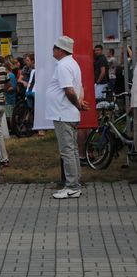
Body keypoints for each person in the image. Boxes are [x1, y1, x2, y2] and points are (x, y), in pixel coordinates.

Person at [47, 36, 89, 199]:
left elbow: (69, 90)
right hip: (66, 113)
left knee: (67, 151)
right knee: (71, 150)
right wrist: (79, 102)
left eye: (55, 47)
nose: (53, 49)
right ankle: (74, 183)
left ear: (61, 50)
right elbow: (80, 87)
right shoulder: (72, 64)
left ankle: (72, 186)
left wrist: (77, 104)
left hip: (63, 113)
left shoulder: (63, 66)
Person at [0, 57, 9, 167]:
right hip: (1, 102)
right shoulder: (3, 68)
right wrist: (1, 92)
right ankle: (4, 157)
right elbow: (8, 85)